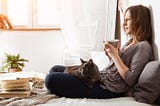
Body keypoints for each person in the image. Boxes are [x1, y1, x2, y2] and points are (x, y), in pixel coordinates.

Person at [45, 5, 153, 99]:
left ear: (139, 21)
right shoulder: (130, 42)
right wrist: (110, 56)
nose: (124, 23)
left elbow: (130, 79)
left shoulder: (143, 47)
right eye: (124, 19)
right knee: (55, 69)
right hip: (100, 77)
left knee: (51, 79)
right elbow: (118, 67)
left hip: (108, 88)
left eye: (128, 19)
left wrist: (115, 55)